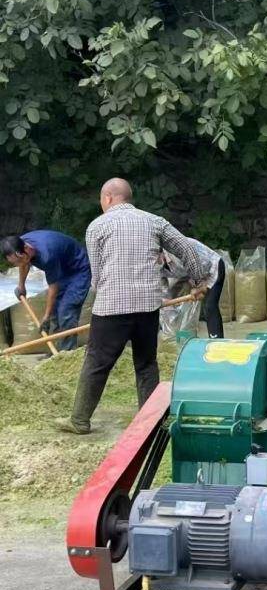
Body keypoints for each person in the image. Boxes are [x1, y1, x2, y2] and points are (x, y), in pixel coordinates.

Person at [56, 178, 206, 434]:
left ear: (107, 198)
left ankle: (79, 420)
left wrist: (102, 293)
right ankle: (151, 422)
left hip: (111, 308)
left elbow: (97, 276)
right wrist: (198, 280)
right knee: (146, 364)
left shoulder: (97, 226)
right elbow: (187, 248)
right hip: (147, 307)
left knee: (97, 363)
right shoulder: (154, 221)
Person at [0, 230, 91, 350]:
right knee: (54, 310)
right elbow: (23, 264)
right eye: (15, 263)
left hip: (78, 270)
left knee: (66, 311)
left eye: (20, 260)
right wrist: (21, 286)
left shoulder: (47, 255)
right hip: (62, 269)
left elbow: (53, 287)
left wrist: (46, 316)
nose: (19, 264)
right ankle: (57, 349)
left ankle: (66, 353)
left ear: (26, 248)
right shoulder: (19, 245)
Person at [161, 237, 226, 339]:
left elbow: (204, 265)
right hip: (188, 274)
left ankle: (216, 341)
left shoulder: (176, 251)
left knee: (210, 306)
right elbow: (164, 293)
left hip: (212, 267)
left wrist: (199, 287)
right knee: (168, 308)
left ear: (160, 251)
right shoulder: (155, 266)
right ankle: (173, 337)